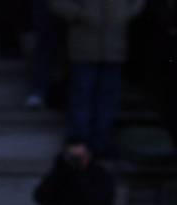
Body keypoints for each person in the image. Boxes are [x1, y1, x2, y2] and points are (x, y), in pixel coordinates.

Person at [47, 0, 145, 154]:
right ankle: (79, 141)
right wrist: (79, 14)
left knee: (107, 99)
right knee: (82, 96)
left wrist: (125, 13)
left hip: (114, 45)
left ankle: (101, 141)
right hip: (84, 44)